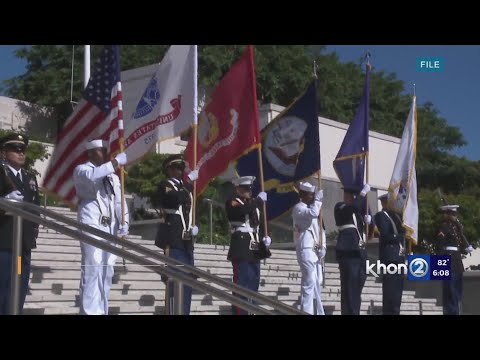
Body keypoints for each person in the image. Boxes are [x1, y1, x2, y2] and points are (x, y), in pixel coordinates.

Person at [73, 139, 129, 315]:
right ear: (90, 153)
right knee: (92, 268)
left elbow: (120, 200)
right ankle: (89, 312)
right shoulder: (82, 170)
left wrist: (124, 221)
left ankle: (102, 310)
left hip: (110, 226)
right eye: (100, 151)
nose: (104, 153)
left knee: (107, 270)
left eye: (105, 150)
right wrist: (115, 162)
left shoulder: (112, 176)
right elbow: (93, 178)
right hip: (91, 222)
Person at [0, 133, 40, 314]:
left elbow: (36, 209)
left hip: (22, 246)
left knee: (19, 286)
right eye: (15, 150)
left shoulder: (29, 178)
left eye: (22, 150)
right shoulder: (1, 173)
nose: (21, 153)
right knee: (3, 288)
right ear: (4, 152)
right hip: (5, 243)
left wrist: (32, 234)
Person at [154, 154, 198, 315]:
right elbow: (173, 199)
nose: (180, 171)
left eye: (182, 168)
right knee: (175, 279)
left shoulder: (185, 188)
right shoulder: (166, 185)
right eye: (177, 168)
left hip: (186, 239)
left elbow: (188, 209)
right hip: (172, 236)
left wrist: (194, 226)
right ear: (169, 170)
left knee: (188, 280)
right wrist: (187, 185)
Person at [225, 176, 271, 315]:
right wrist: (257, 201)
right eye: (245, 189)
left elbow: (259, 223)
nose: (248, 191)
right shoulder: (232, 202)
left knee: (254, 283)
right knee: (242, 285)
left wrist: (265, 237)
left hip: (255, 248)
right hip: (241, 246)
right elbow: (239, 212)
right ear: (237, 189)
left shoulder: (253, 204)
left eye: (249, 189)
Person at [334, 183, 371, 315]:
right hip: (348, 251)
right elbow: (353, 207)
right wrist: (363, 194)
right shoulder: (341, 207)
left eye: (350, 195)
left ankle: (354, 311)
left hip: (360, 252)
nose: (348, 197)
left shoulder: (357, 214)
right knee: (349, 286)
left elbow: (368, 233)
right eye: (347, 195)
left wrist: (369, 222)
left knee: (357, 285)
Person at [292, 181, 326, 315]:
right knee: (309, 281)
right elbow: (312, 213)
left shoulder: (314, 209)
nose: (313, 197)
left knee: (317, 282)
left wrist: (323, 246)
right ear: (303, 195)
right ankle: (307, 312)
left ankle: (317, 311)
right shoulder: (299, 208)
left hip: (315, 251)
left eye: (314, 195)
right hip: (305, 249)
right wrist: (317, 201)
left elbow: (320, 231)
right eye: (311, 195)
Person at [435, 204, 473, 315]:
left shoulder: (457, 228)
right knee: (450, 291)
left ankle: (456, 311)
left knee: (457, 291)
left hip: (457, 262)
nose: (455, 216)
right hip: (448, 260)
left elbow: (459, 245)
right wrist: (440, 265)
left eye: (455, 214)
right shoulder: (443, 227)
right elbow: (440, 246)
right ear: (447, 214)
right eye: (452, 214)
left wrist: (466, 248)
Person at [374, 193, 405, 315]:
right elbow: (386, 235)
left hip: (399, 257)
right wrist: (400, 236)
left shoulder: (396, 216)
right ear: (384, 203)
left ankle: (395, 311)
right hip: (390, 257)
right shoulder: (381, 216)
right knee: (390, 290)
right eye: (390, 202)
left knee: (398, 290)